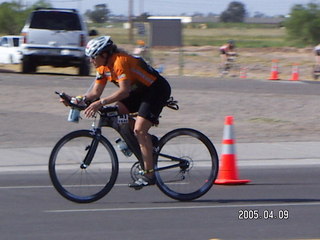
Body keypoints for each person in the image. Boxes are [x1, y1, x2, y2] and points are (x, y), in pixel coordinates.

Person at [60, 36, 171, 189]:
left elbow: (124, 92)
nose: (91, 61)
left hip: (155, 90)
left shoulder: (120, 62)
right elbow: (94, 94)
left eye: (93, 57)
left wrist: (101, 103)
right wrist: (74, 100)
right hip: (138, 92)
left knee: (139, 129)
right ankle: (147, 142)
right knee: (116, 114)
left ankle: (149, 174)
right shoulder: (102, 68)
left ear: (104, 54)